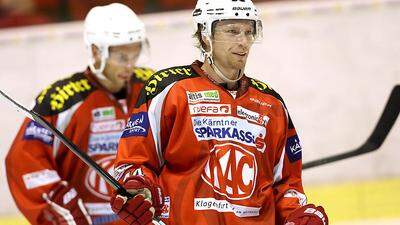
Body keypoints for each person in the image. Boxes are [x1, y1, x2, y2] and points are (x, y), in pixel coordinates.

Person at [110, 0, 329, 225]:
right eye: (232, 31)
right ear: (205, 34)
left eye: (248, 31)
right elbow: (134, 162)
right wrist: (137, 192)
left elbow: (286, 185)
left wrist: (298, 216)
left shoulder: (270, 103)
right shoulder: (168, 89)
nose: (243, 42)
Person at [5, 3, 154, 225]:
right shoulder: (60, 99)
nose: (130, 65)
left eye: (135, 53)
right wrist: (67, 214)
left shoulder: (152, 87)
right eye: (122, 57)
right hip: (92, 219)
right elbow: (25, 164)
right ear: (96, 51)